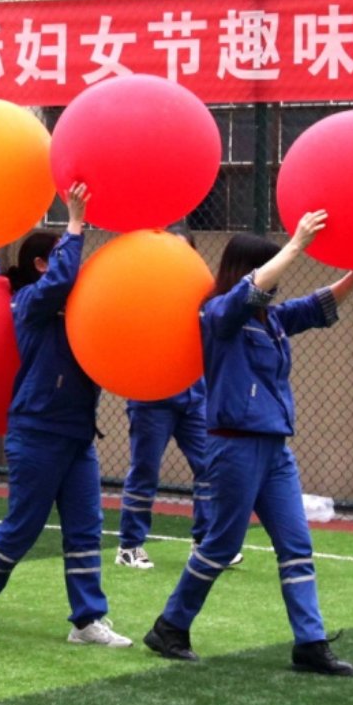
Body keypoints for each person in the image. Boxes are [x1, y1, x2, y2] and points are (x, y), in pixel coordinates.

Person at [144, 213, 353, 677]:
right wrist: (296, 245)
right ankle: (170, 626)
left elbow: (316, 306)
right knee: (220, 544)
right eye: (268, 270)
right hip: (234, 447)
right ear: (247, 270)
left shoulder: (273, 320)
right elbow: (248, 293)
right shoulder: (218, 314)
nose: (277, 283)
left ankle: (310, 643)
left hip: (274, 450)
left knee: (296, 545)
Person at [0, 184, 132, 647]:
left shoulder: (76, 311)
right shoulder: (30, 303)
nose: (74, 264)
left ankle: (87, 620)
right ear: (40, 265)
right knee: (24, 525)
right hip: (36, 432)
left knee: (85, 528)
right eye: (62, 254)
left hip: (76, 435)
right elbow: (61, 281)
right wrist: (75, 222)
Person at [115, 224, 225, 570]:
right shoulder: (143, 293)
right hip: (151, 396)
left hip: (193, 395)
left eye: (186, 251)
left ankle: (204, 543)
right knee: (145, 470)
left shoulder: (203, 295)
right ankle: (130, 546)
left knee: (208, 466)